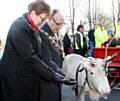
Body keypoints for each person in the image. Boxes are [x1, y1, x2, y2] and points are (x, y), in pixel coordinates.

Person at [0, 1, 76, 101]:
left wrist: (61, 75)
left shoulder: (34, 30)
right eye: (42, 19)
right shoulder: (19, 28)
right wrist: (52, 75)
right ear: (33, 13)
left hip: (27, 80)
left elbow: (45, 58)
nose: (43, 22)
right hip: (14, 81)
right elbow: (31, 58)